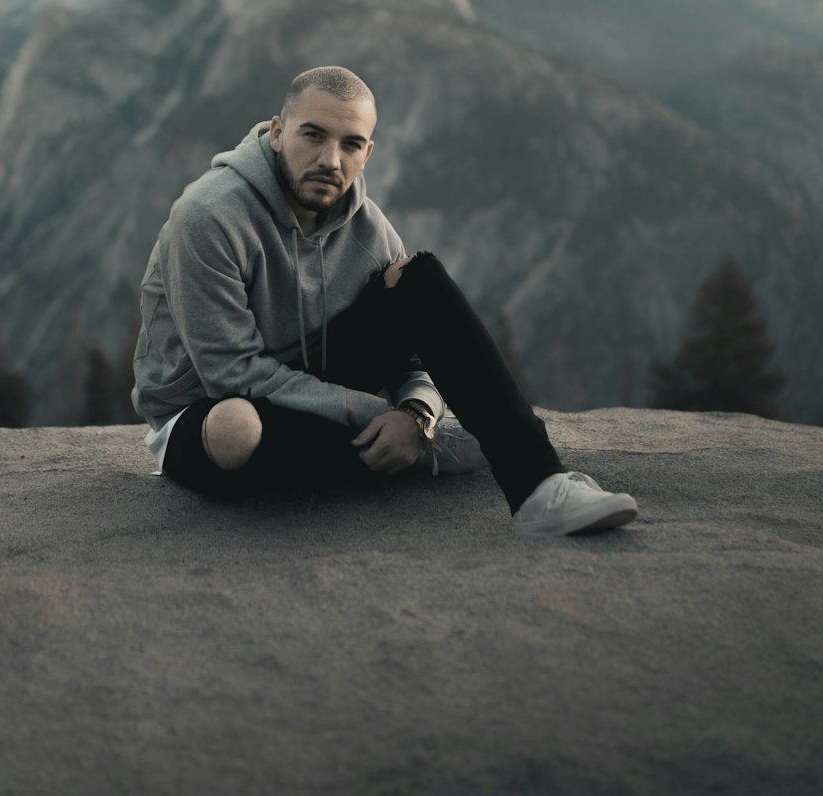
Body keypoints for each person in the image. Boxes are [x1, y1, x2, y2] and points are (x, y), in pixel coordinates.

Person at [132, 65, 638, 536]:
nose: (331, 160)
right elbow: (231, 370)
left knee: (418, 278)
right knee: (235, 430)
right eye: (314, 135)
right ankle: (421, 454)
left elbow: (418, 357)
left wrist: (416, 415)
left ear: (368, 153)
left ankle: (540, 487)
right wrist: (374, 413)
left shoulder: (369, 230)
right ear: (278, 131)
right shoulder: (209, 216)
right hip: (211, 404)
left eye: (350, 144)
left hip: (320, 392)